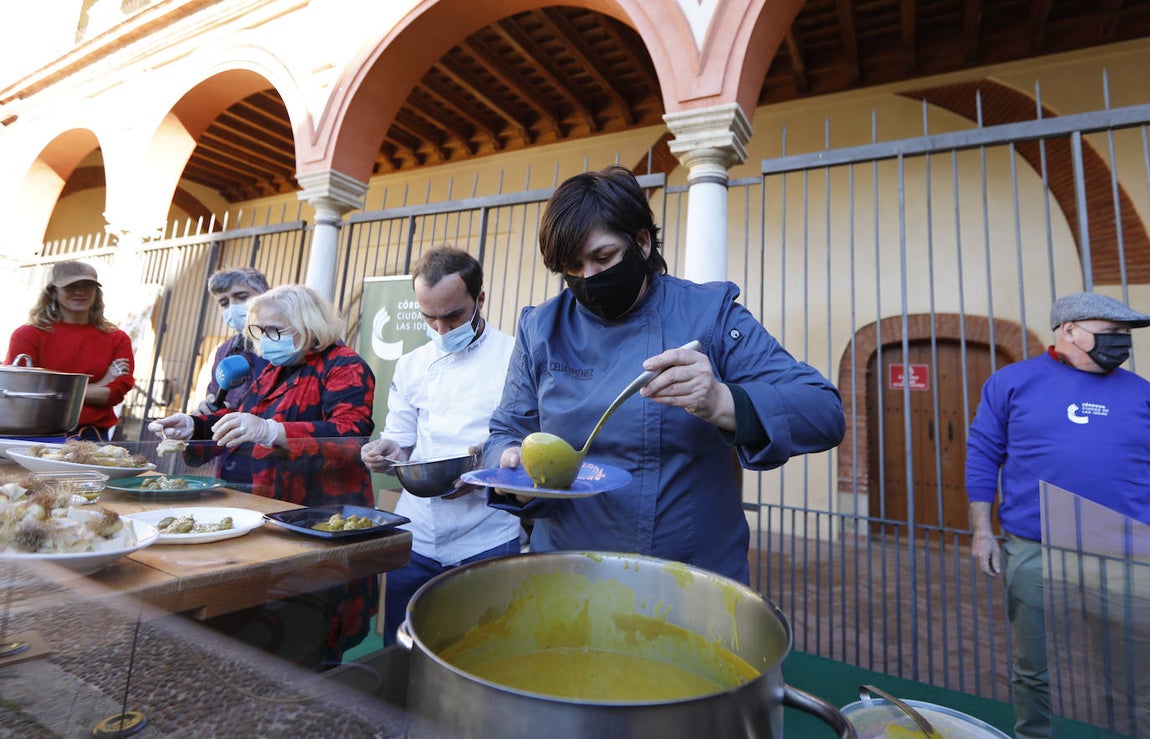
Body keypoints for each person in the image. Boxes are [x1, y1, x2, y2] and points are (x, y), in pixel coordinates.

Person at [483, 165, 845, 584]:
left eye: (603, 258)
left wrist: (722, 402)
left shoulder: (709, 313)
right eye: (572, 267)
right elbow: (504, 432)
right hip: (568, 570)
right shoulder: (541, 328)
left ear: (640, 241)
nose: (589, 279)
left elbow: (824, 410)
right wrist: (508, 466)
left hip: (689, 577)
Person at [149, 284, 377, 667]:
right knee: (260, 632)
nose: (265, 340)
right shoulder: (271, 369)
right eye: (258, 332)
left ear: (308, 324)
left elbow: (353, 437)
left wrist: (276, 432)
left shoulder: (345, 367)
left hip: (317, 520)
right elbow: (242, 420)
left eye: (275, 330)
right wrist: (194, 425)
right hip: (263, 515)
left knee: (312, 632)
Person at [966, 291, 1150, 738]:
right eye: (1111, 334)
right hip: (1037, 552)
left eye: (1126, 337)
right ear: (1068, 331)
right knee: (1033, 668)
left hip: (1128, 558)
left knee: (1135, 677)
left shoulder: (1142, 392)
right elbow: (983, 454)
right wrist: (982, 533)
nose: (1121, 345)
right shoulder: (1012, 382)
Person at [360, 246, 522, 645]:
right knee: (405, 650)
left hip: (488, 535)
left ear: (479, 299)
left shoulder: (515, 356)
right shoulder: (412, 364)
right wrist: (386, 452)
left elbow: (529, 440)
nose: (442, 330)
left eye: (453, 316)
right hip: (417, 534)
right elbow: (401, 440)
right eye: (429, 317)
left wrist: (487, 470)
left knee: (485, 652)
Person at [5, 260, 134, 441]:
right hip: (32, 434)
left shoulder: (118, 339)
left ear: (97, 293)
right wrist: (101, 383)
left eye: (87, 286)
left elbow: (114, 395)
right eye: (70, 286)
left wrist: (54, 392)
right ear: (53, 292)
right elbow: (25, 394)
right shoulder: (27, 335)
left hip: (90, 436)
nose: (79, 292)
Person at [196, 267, 270, 413]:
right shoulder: (224, 351)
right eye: (224, 303)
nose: (233, 307)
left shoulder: (285, 345)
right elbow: (215, 396)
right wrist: (206, 414)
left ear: (265, 296)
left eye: (242, 297)